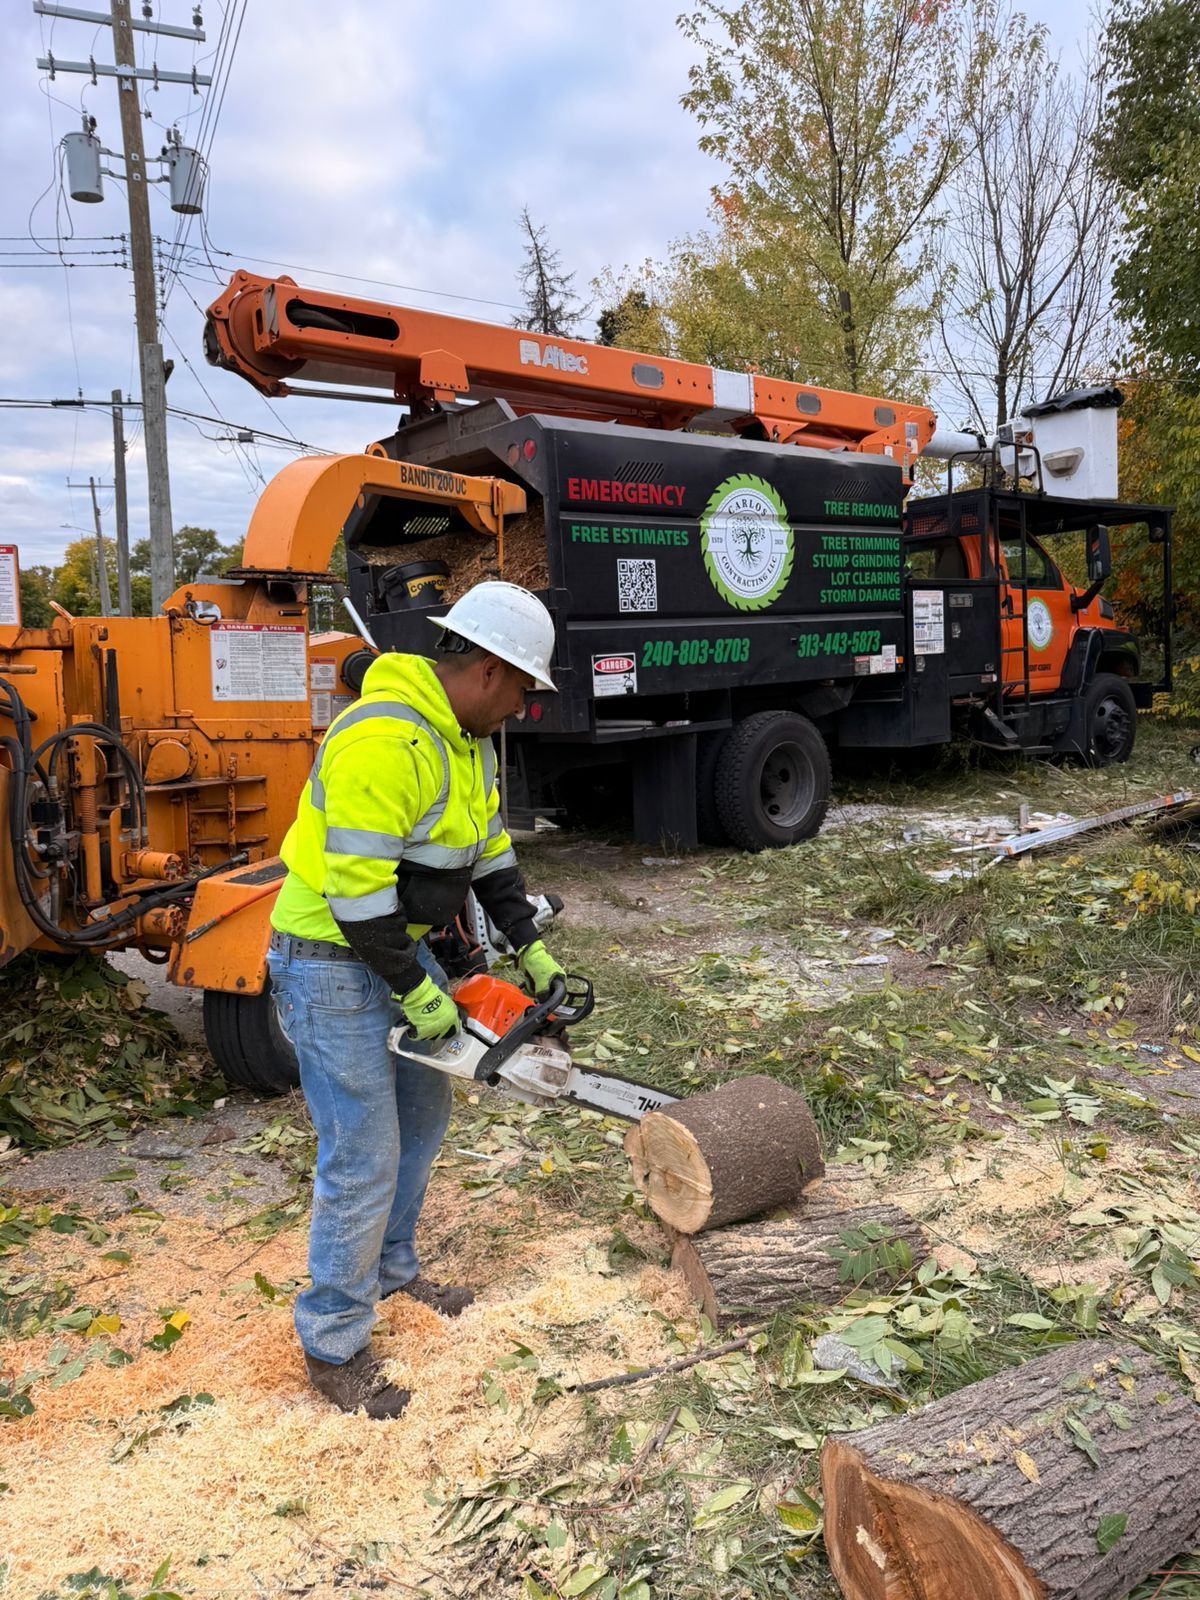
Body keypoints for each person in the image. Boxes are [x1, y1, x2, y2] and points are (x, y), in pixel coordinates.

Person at [267, 581, 567, 1418]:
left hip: (395, 950)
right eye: (520, 688)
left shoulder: (461, 741)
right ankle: (334, 1343)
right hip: (330, 958)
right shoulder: (386, 741)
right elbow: (356, 894)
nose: (519, 706)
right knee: (361, 1150)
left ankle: (394, 1274)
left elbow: (489, 851)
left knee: (422, 1121)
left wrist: (530, 946)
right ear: (485, 668)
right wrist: (420, 995)